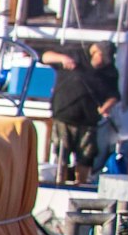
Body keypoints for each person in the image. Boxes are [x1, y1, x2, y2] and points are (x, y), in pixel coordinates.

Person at [43, 42, 120, 184]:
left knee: (86, 156)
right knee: (61, 153)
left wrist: (106, 107)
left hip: (88, 122)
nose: (102, 62)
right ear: (94, 51)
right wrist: (62, 59)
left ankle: (81, 183)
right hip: (64, 117)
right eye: (101, 58)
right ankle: (60, 181)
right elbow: (46, 56)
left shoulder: (109, 71)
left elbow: (114, 95)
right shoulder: (75, 54)